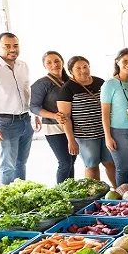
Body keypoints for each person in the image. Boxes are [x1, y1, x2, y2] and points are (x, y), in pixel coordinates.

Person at [0, 32, 37, 184]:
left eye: (16, 46)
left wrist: (36, 114)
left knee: (21, 163)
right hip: (6, 123)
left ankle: (20, 195)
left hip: (25, 119)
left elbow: (27, 92)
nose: (13, 49)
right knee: (8, 166)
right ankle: (6, 201)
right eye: (7, 46)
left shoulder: (22, 65)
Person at [58, 56, 116, 186]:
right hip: (85, 136)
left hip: (106, 132)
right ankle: (95, 196)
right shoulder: (67, 88)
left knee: (110, 162)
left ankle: (118, 191)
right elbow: (65, 117)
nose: (83, 70)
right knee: (92, 164)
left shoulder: (100, 82)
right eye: (78, 68)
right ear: (71, 71)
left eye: (85, 66)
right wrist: (71, 140)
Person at [30, 51, 76, 183]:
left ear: (62, 61)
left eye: (56, 61)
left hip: (73, 127)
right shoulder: (41, 84)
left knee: (72, 160)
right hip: (53, 128)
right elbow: (34, 107)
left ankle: (71, 192)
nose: (54, 65)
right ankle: (61, 194)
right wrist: (54, 115)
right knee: (65, 162)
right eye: (49, 62)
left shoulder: (70, 81)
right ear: (44, 66)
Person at [102, 48, 128, 186]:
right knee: (122, 169)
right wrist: (108, 137)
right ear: (117, 62)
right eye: (125, 61)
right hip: (118, 132)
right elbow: (105, 114)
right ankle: (124, 202)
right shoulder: (109, 84)